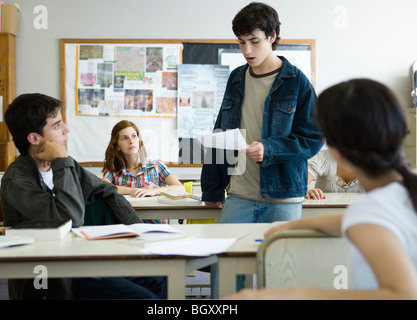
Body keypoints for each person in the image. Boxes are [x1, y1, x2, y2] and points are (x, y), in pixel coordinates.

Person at [226, 78, 417, 300]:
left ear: (335, 150)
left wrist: (286, 295)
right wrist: (296, 225)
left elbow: (402, 294)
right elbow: (357, 222)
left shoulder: (370, 212)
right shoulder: (399, 194)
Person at [200, 2, 323, 296]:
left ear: (272, 36)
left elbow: (313, 138)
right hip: (239, 194)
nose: (246, 50)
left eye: (254, 41)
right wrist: (213, 188)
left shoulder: (297, 82)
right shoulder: (236, 78)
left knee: (281, 279)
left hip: (283, 196)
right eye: (241, 42)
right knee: (226, 280)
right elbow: (222, 132)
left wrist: (270, 149)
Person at [1, 93, 166, 300]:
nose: (66, 129)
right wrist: (60, 160)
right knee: (145, 299)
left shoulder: (66, 164)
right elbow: (70, 217)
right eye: (57, 125)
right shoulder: (17, 180)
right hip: (49, 273)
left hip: (79, 258)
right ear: (34, 138)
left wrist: (141, 232)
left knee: (159, 275)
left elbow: (108, 191)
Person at [102, 120, 184, 198]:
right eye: (124, 138)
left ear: (139, 141)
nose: (131, 141)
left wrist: (155, 191)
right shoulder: (113, 170)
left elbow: (180, 188)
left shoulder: (156, 166)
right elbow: (103, 188)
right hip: (125, 212)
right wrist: (137, 190)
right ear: (117, 146)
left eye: (134, 136)